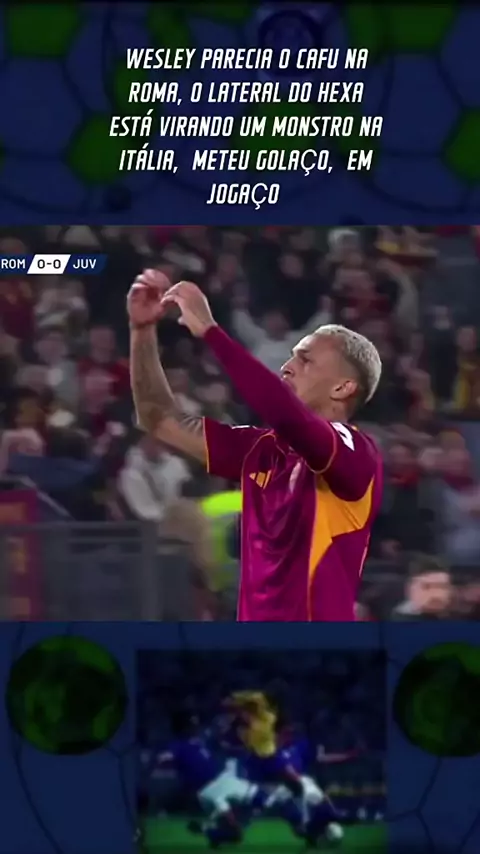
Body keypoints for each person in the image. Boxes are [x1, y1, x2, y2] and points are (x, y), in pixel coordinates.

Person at [127, 270, 384, 622]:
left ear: (342, 388)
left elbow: (285, 413)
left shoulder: (356, 451)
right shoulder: (262, 450)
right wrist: (142, 332)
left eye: (305, 360)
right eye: (292, 357)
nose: (286, 367)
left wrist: (211, 332)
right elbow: (158, 419)